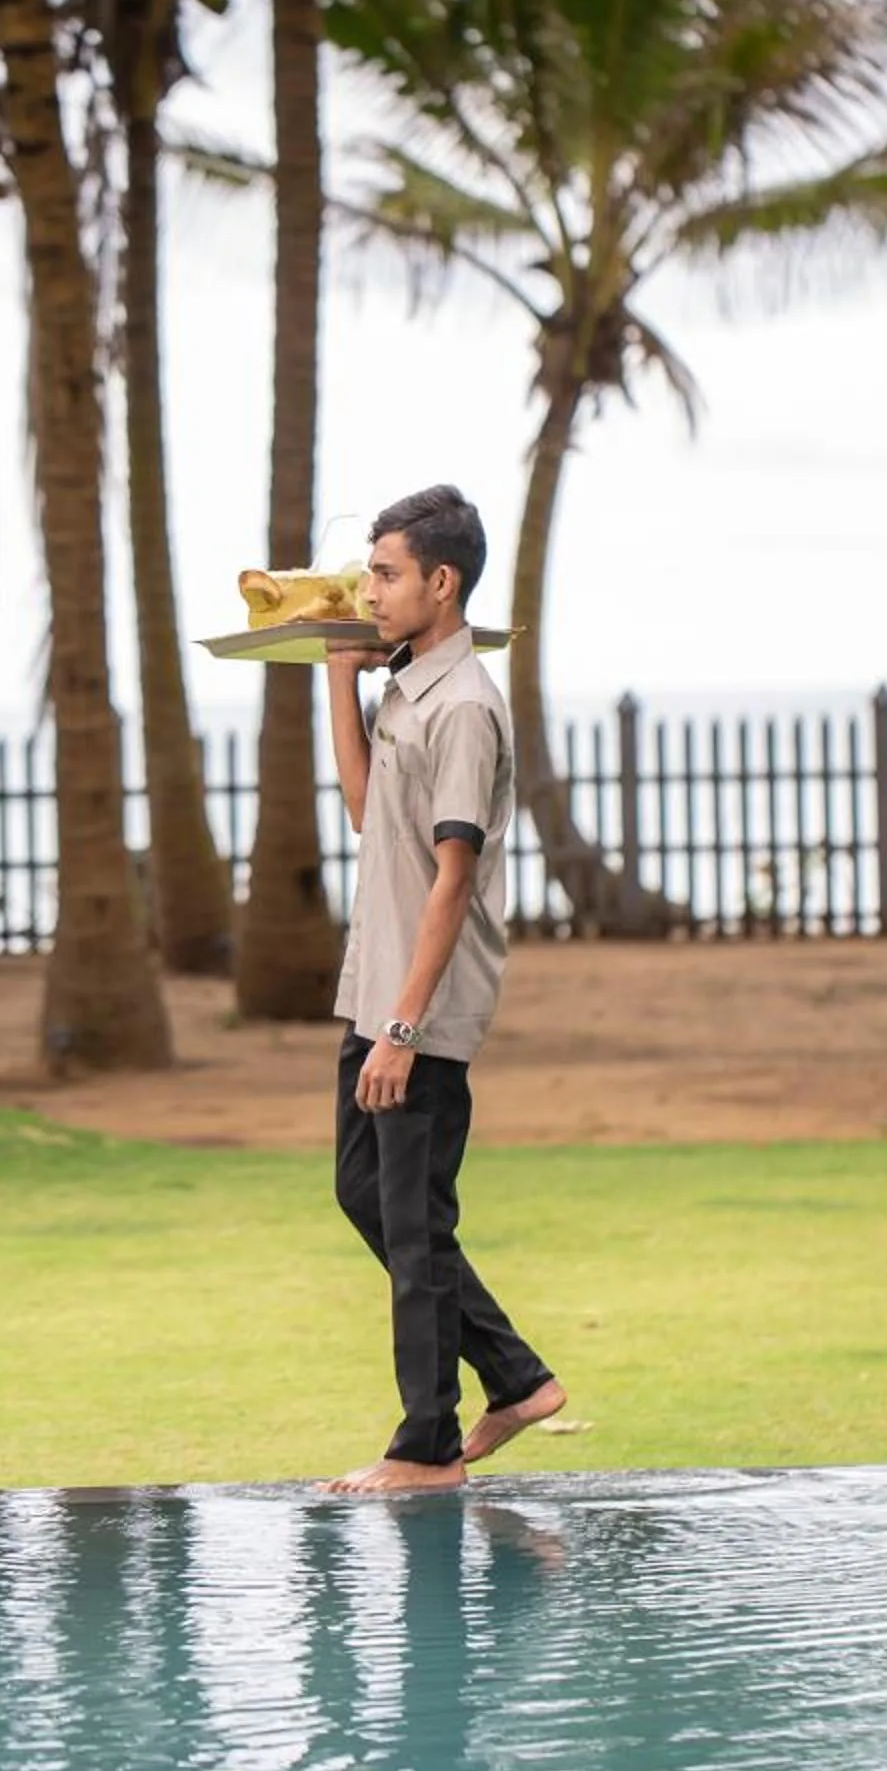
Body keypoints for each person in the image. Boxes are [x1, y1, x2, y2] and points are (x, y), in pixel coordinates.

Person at [322, 484, 566, 1494]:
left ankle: (427, 1448)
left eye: (384, 575)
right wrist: (337, 681)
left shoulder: (463, 708)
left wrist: (399, 1029)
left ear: (440, 580)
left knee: (414, 1220)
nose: (369, 592)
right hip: (375, 992)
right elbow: (362, 812)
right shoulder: (406, 691)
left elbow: (452, 878)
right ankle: (516, 1378)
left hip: (412, 1010)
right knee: (362, 1192)